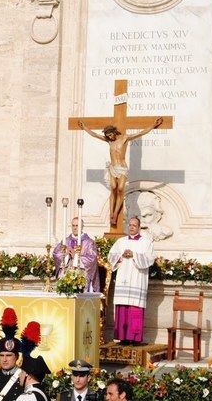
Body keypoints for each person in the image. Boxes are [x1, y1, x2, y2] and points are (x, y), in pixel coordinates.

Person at [77, 118, 163, 226]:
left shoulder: (124, 138)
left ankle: (115, 214)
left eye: (111, 135)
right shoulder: (109, 141)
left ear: (114, 132)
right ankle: (112, 213)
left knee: (121, 189)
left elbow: (140, 133)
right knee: (113, 188)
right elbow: (94, 135)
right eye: (108, 136)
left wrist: (153, 125)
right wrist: (84, 127)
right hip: (113, 168)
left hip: (122, 168)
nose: (109, 137)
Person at [108, 216, 155, 345]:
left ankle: (134, 338)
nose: (131, 227)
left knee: (135, 309)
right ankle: (122, 337)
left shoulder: (146, 242)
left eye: (134, 225)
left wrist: (134, 255)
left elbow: (150, 259)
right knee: (122, 308)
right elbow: (111, 256)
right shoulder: (121, 242)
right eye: (130, 225)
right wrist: (121, 255)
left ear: (139, 228)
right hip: (123, 278)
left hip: (137, 280)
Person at [52, 218, 101, 292]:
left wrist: (77, 257)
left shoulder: (89, 242)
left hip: (82, 272)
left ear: (82, 227)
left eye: (77, 226)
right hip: (66, 272)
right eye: (73, 225)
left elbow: (92, 259)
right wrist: (66, 254)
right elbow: (56, 254)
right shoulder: (66, 241)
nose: (75, 228)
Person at [16, 321, 50, 401]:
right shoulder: (44, 395)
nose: (19, 375)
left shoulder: (26, 397)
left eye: (22, 372)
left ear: (29, 376)